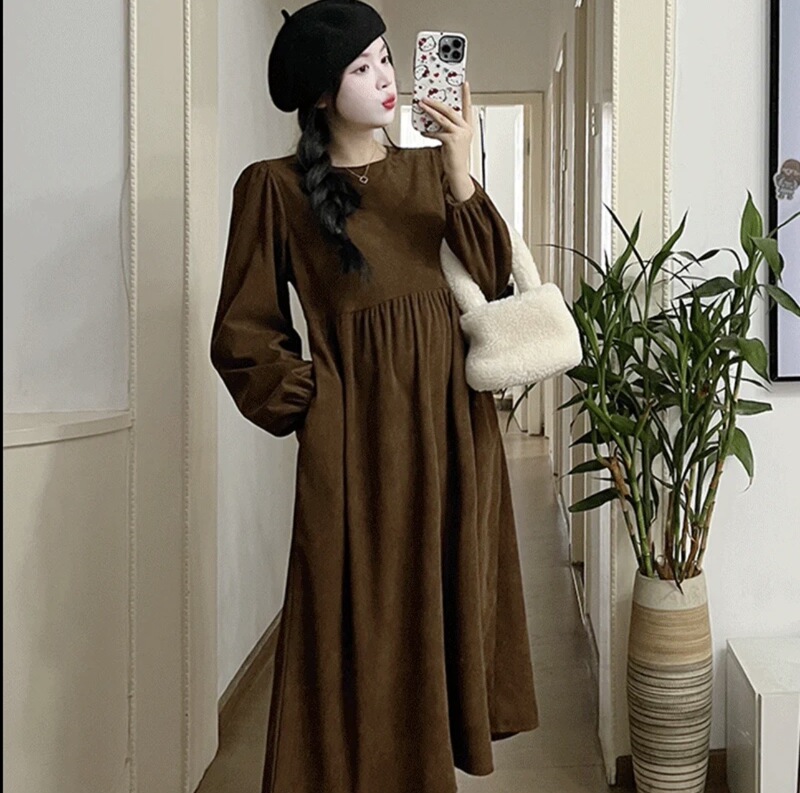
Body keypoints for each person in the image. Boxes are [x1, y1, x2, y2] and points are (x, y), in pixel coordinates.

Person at [210, 1, 538, 791]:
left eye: (387, 58)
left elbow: (493, 278)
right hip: (354, 446)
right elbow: (243, 335)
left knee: (439, 612)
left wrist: (459, 171)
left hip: (452, 434)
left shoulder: (429, 173)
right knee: (352, 627)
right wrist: (316, 402)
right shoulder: (273, 189)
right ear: (322, 92)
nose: (387, 78)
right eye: (363, 67)